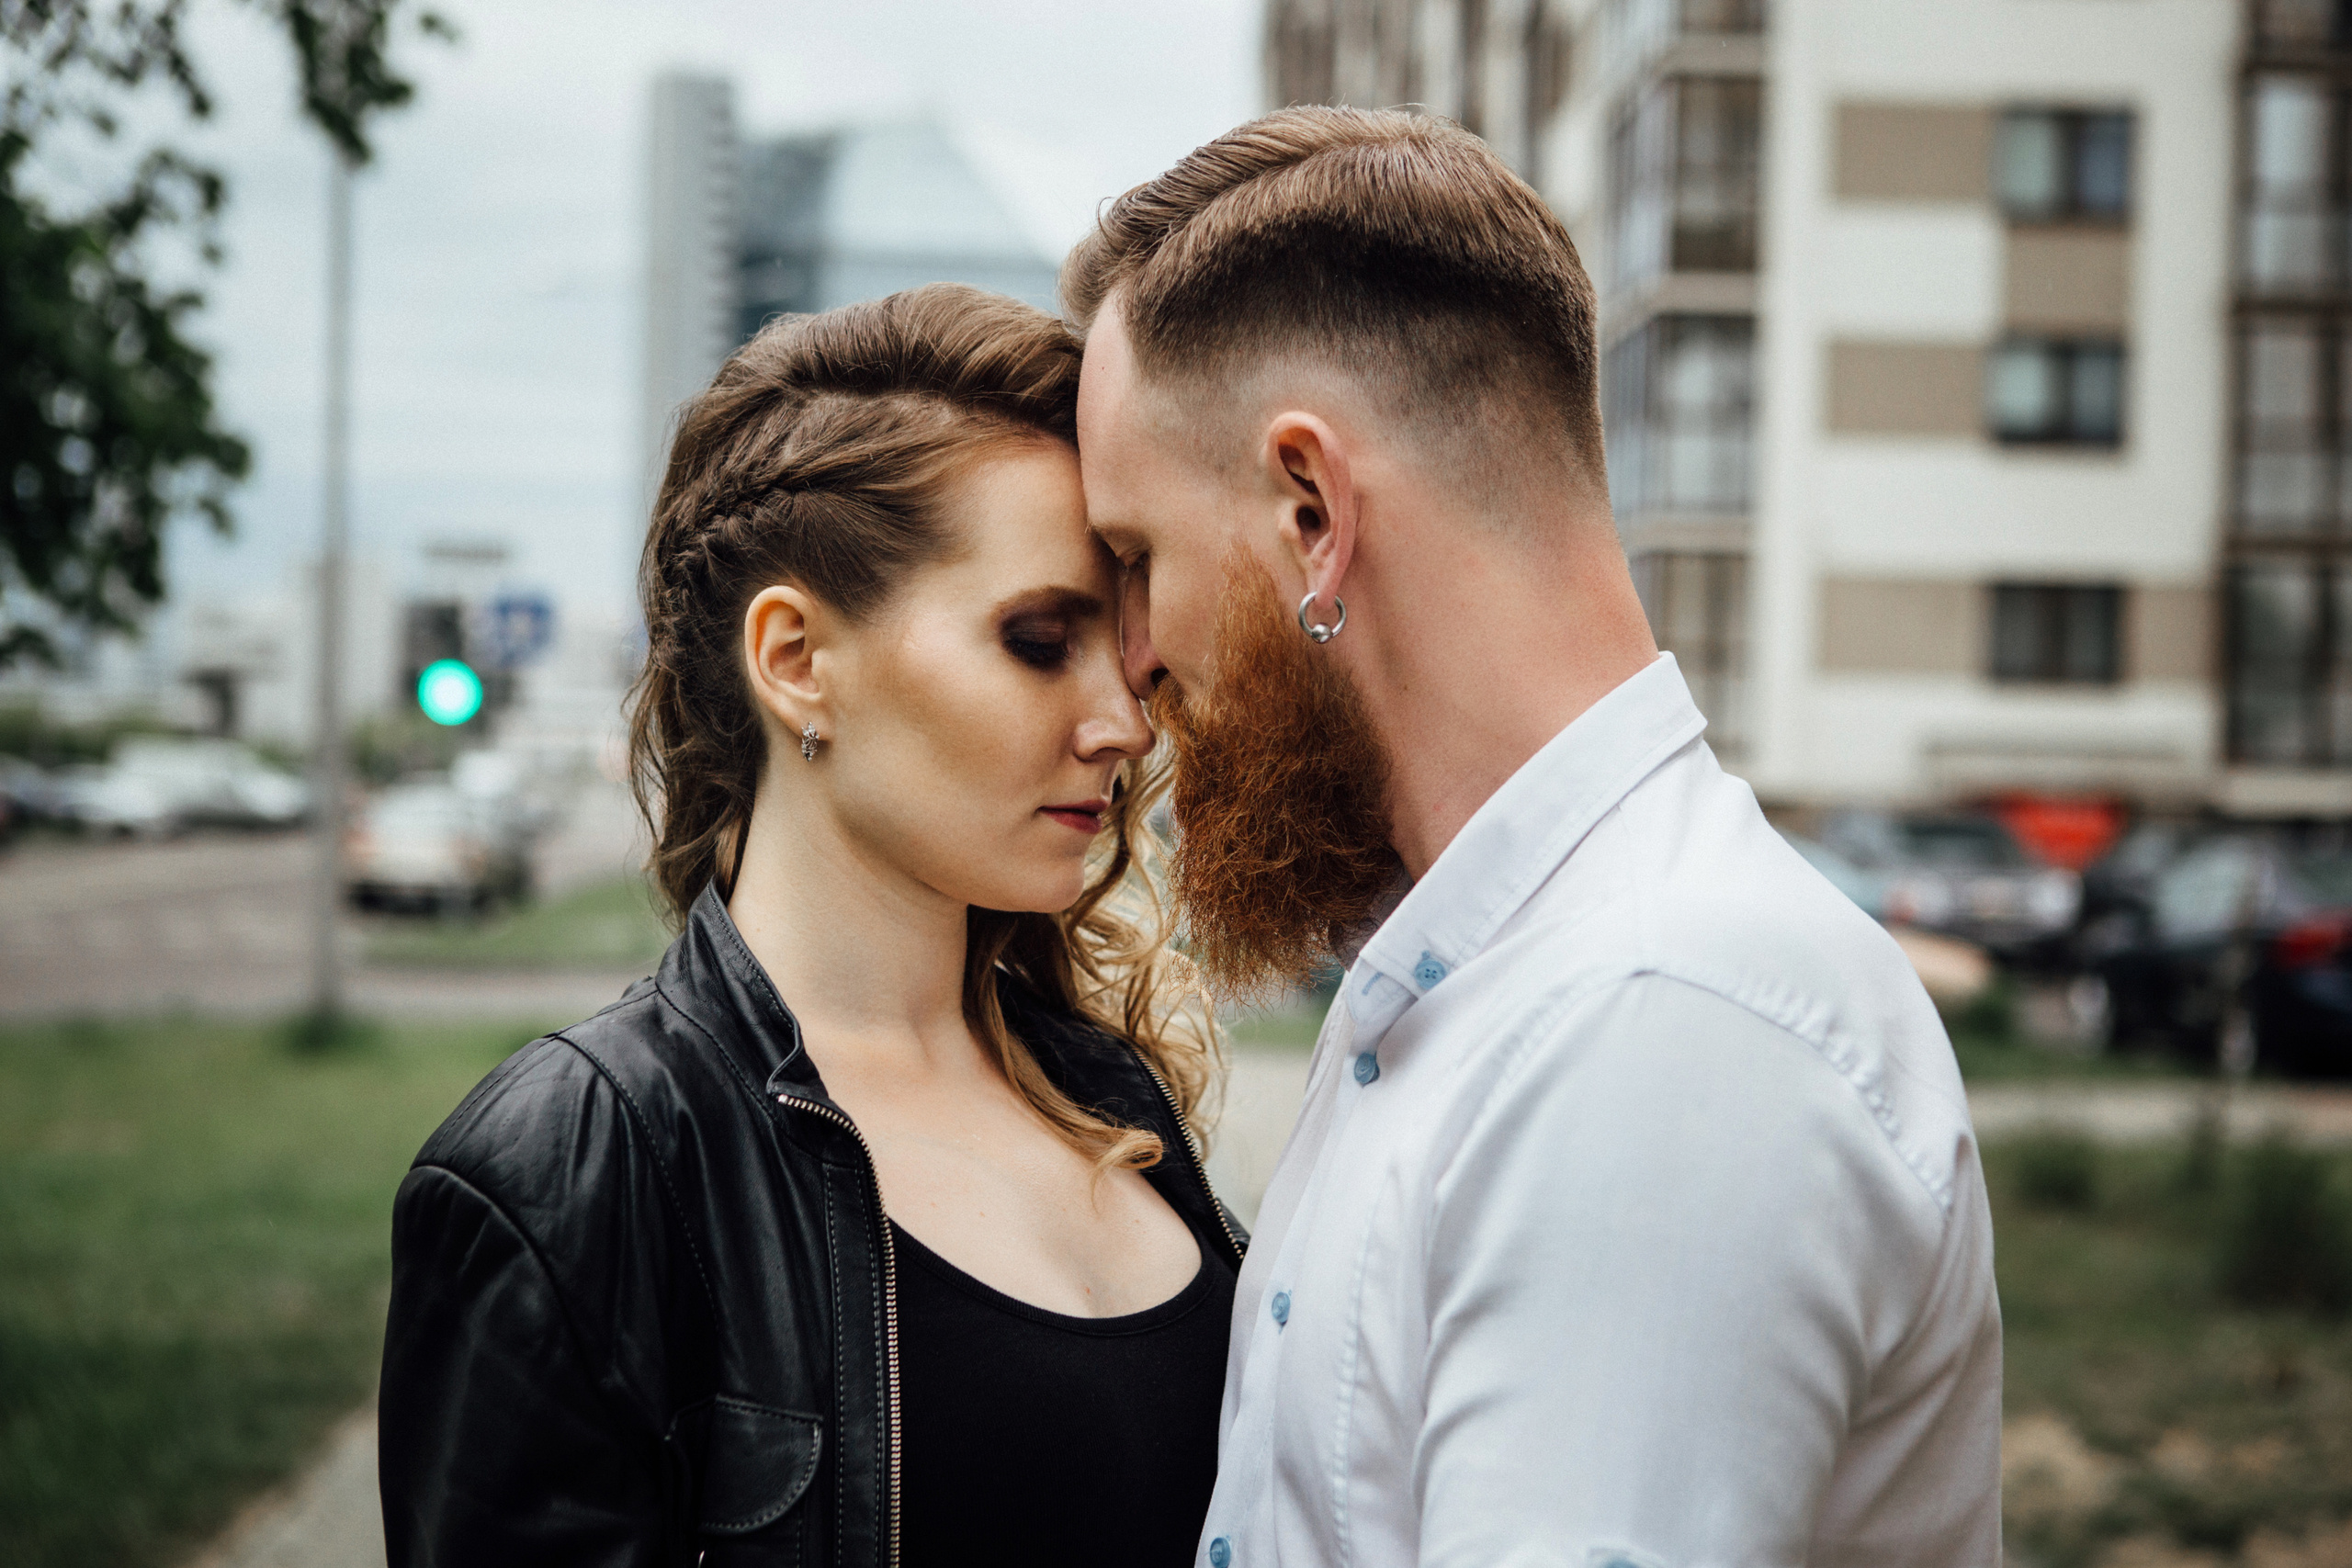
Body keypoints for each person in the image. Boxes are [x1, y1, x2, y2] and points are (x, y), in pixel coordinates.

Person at [1066, 107, 2003, 1567]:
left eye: (1136, 560)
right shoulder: (1471, 972)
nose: (1130, 659)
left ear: (1313, 509)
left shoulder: (1657, 1023)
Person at [378, 285, 1243, 1568]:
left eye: (1120, 650)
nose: (1123, 720)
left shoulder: (1108, 1089)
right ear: (794, 659)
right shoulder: (575, 1171)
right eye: (1038, 639)